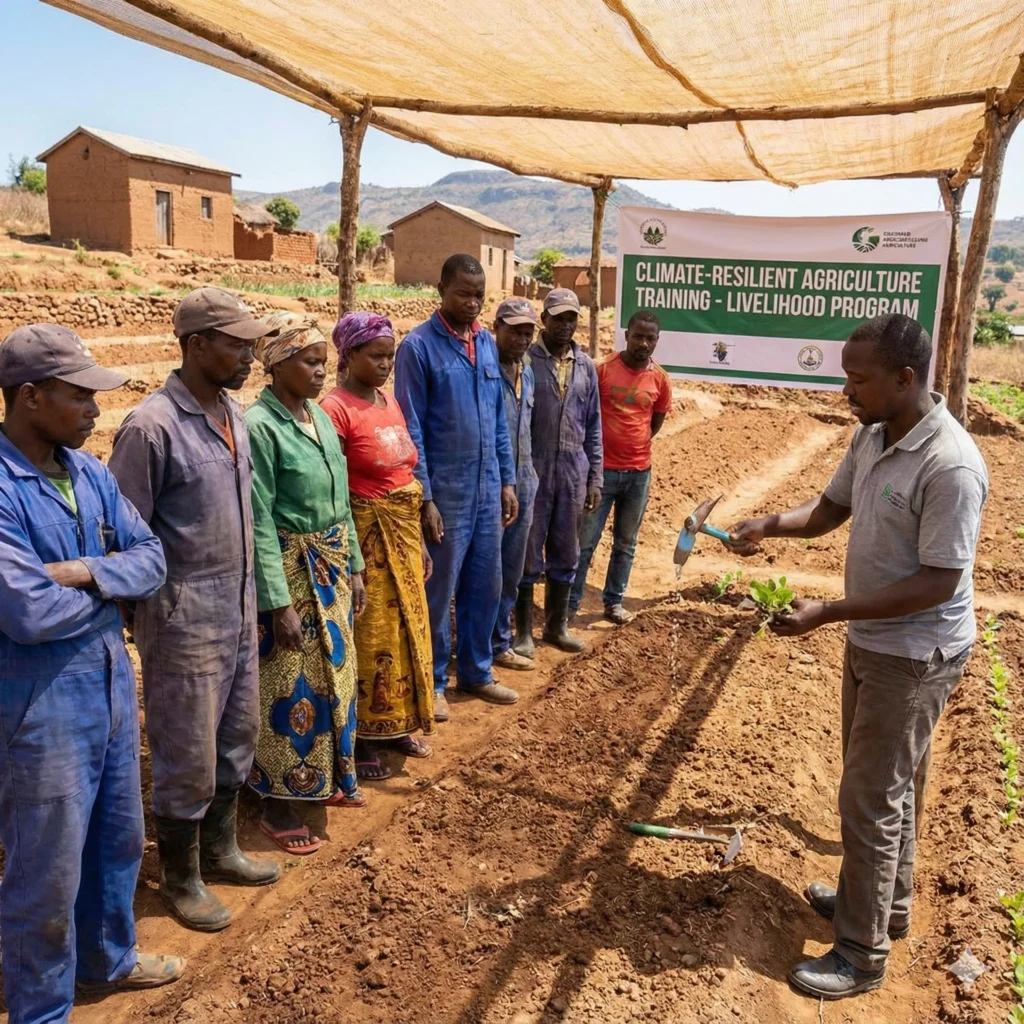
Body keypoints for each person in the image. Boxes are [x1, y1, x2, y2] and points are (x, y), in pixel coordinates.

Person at [728, 313, 988, 1000]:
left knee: (871, 800)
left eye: (860, 379)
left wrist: (830, 612)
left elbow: (939, 580)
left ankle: (860, 954)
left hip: (914, 656)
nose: (848, 390)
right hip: (873, 643)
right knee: (885, 788)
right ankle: (884, 907)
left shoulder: (950, 463)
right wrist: (769, 523)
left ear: (906, 379)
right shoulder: (873, 434)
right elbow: (829, 509)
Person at [0, 325, 184, 1024]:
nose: (94, 411)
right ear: (29, 397)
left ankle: (106, 961)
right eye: (79, 397)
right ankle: (41, 1008)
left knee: (115, 838)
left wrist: (84, 573)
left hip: (107, 685)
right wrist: (113, 593)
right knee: (44, 871)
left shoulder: (90, 472)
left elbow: (151, 556)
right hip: (37, 706)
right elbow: (27, 612)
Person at [108, 288, 281, 933]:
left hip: (235, 610)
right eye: (237, 343)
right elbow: (124, 534)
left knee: (235, 737)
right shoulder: (151, 427)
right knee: (186, 750)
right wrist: (150, 615)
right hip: (183, 618)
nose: (248, 355)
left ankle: (220, 850)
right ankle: (180, 878)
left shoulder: (232, 413)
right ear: (197, 344)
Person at [244, 312, 369, 854]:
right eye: (309, 361)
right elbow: (260, 518)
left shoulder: (318, 418)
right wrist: (278, 604)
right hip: (291, 576)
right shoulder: (260, 427)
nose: (322, 371)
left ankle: (326, 778)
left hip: (333, 566)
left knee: (334, 676)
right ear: (276, 365)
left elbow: (341, 503)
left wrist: (357, 566)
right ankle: (276, 799)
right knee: (289, 683)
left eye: (324, 361)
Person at [394, 253, 520, 720]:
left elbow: (499, 423)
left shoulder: (486, 342)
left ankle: (478, 671)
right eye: (463, 294)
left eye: (479, 296)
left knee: (485, 583)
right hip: (445, 490)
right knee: (438, 588)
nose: (471, 304)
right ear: (441, 290)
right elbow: (412, 427)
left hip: (488, 488)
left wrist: (507, 479)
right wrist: (425, 497)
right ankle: (435, 680)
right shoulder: (418, 348)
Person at [320, 312, 435, 781]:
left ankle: (399, 723)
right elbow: (336, 486)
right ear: (348, 356)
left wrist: (420, 540)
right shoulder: (335, 409)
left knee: (409, 631)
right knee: (371, 637)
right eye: (376, 356)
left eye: (390, 355)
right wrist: (354, 558)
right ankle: (365, 734)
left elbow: (404, 467)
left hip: (403, 537)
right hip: (368, 540)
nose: (387, 364)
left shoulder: (387, 400)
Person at [570, 311, 671, 625]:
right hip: (601, 475)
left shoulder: (660, 379)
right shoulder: (602, 370)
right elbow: (584, 416)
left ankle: (613, 603)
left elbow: (655, 421)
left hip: (639, 474)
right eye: (638, 335)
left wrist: (634, 446)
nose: (643, 343)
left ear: (657, 340)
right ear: (626, 335)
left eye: (650, 338)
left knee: (625, 543)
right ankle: (569, 605)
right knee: (585, 541)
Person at [518, 288, 602, 654]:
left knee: (567, 551)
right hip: (533, 468)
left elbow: (594, 426)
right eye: (559, 318)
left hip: (572, 471)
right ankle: (521, 633)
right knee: (526, 552)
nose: (566, 325)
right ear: (544, 320)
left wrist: (595, 476)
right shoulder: (525, 361)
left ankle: (556, 626)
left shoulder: (586, 367)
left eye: (572, 319)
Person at [490, 298, 540, 669]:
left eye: (528, 332)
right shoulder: (485, 368)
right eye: (515, 331)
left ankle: (499, 642)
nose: (522, 339)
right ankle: (474, 646)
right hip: (490, 483)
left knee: (512, 568)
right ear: (497, 328)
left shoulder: (528, 371)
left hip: (524, 480)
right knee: (483, 571)